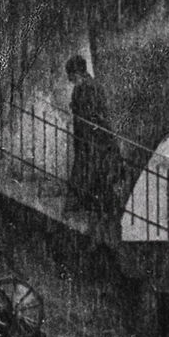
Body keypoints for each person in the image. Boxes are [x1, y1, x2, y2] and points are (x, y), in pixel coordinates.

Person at [63, 55, 120, 226]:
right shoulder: (87, 86)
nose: (70, 79)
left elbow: (94, 114)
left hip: (93, 140)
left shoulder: (88, 87)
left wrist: (89, 128)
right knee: (96, 175)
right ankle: (101, 209)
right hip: (90, 140)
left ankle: (82, 206)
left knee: (90, 173)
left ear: (77, 73)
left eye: (71, 75)